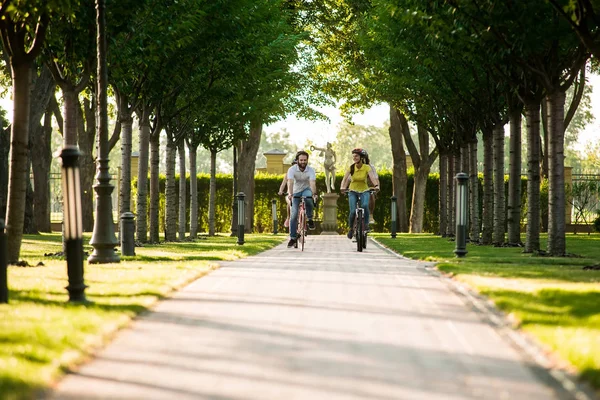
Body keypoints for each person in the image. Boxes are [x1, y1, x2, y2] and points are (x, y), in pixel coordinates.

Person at [339, 148, 380, 239]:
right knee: (353, 211)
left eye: (356, 156)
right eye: (353, 156)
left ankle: (366, 226)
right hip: (353, 191)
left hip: (364, 191)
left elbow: (372, 177)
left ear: (361, 157)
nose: (354, 158)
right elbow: (345, 179)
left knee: (365, 205)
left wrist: (376, 185)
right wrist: (342, 187)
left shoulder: (367, 167)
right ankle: (350, 229)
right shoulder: (351, 167)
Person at [286, 150, 318, 248]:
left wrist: (314, 194)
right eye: (301, 160)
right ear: (297, 160)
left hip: (306, 189)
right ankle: (292, 237)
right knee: (294, 214)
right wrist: (290, 193)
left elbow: (312, 183)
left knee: (308, 199)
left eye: (305, 160)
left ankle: (309, 218)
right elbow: (290, 182)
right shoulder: (292, 169)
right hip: (295, 191)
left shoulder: (311, 170)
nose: (303, 162)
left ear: (307, 160)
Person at [278, 160, 297, 228]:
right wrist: (281, 191)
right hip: (290, 194)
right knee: (290, 202)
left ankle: (303, 218)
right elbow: (283, 183)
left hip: (300, 194)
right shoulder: (288, 174)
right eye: (294, 165)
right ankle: (289, 217)